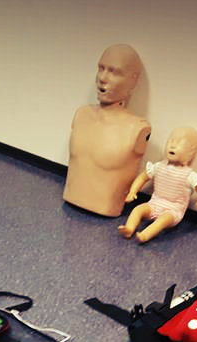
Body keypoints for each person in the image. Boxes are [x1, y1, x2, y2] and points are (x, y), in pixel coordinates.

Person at [63, 44, 152, 217]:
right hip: (69, 200)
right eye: (101, 68)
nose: (102, 78)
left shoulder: (138, 129)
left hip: (106, 209)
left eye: (114, 72)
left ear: (133, 80)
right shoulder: (82, 114)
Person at [117, 126, 197, 243]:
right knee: (138, 209)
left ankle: (145, 235)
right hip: (154, 204)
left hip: (173, 211)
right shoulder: (159, 166)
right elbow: (142, 177)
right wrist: (133, 191)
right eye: (170, 141)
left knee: (162, 220)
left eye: (179, 144)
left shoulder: (189, 174)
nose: (172, 146)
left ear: (190, 153)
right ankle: (129, 228)